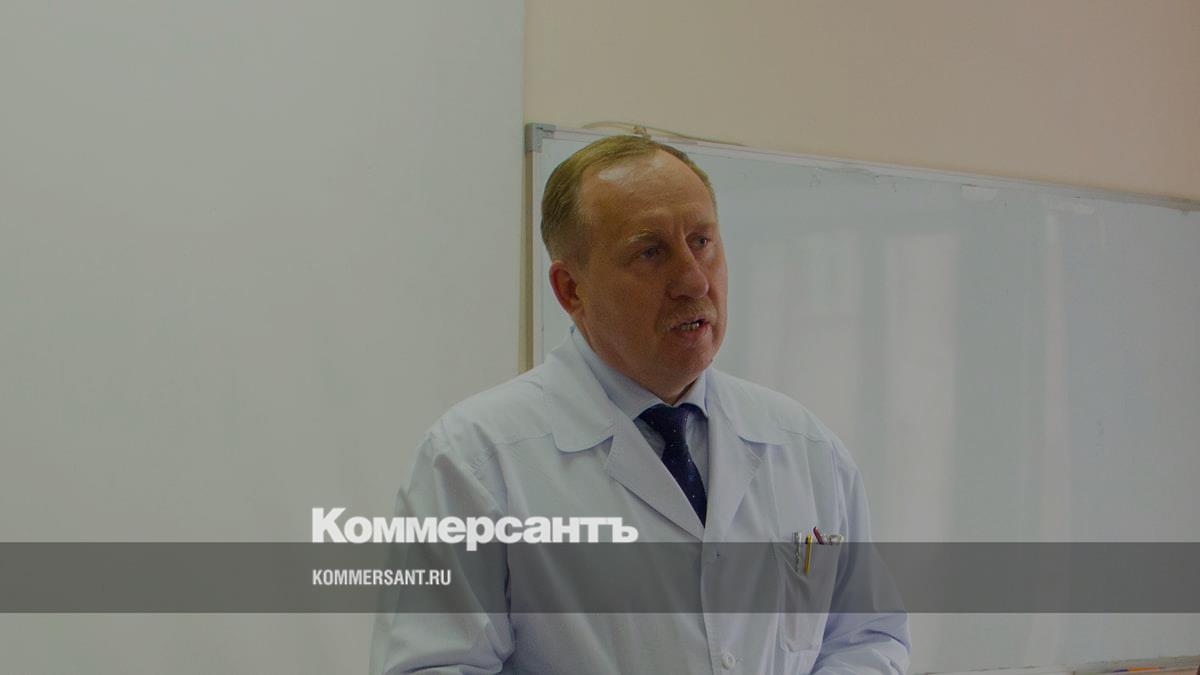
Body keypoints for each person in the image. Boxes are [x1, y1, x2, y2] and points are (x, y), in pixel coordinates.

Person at [371, 135, 910, 674]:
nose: (693, 280)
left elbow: (868, 638)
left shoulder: (805, 448)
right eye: (650, 252)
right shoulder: (475, 461)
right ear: (571, 289)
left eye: (702, 241)